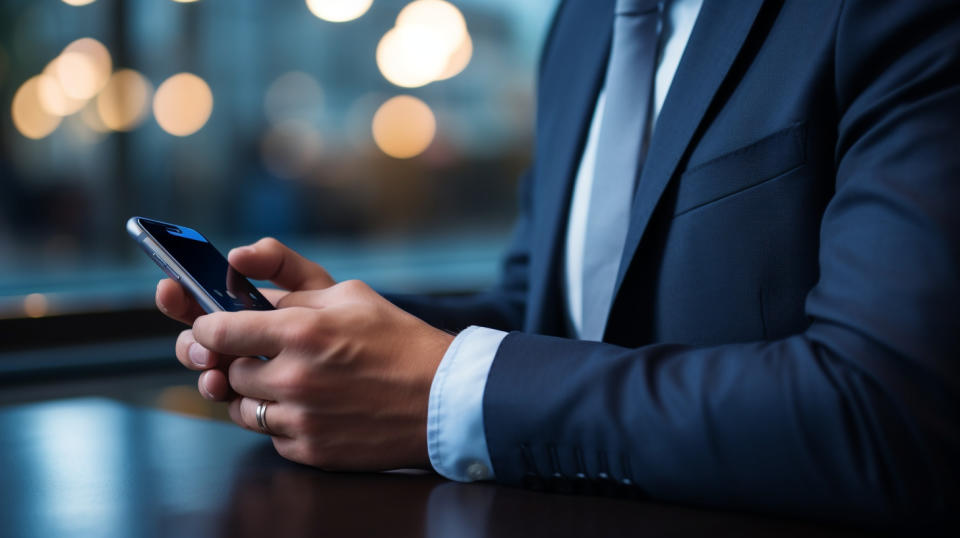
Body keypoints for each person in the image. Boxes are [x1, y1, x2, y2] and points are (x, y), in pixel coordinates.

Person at [156, 0, 959, 527]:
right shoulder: (582, 26)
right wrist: (335, 340)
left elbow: (880, 409)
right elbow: (544, 313)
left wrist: (444, 387)